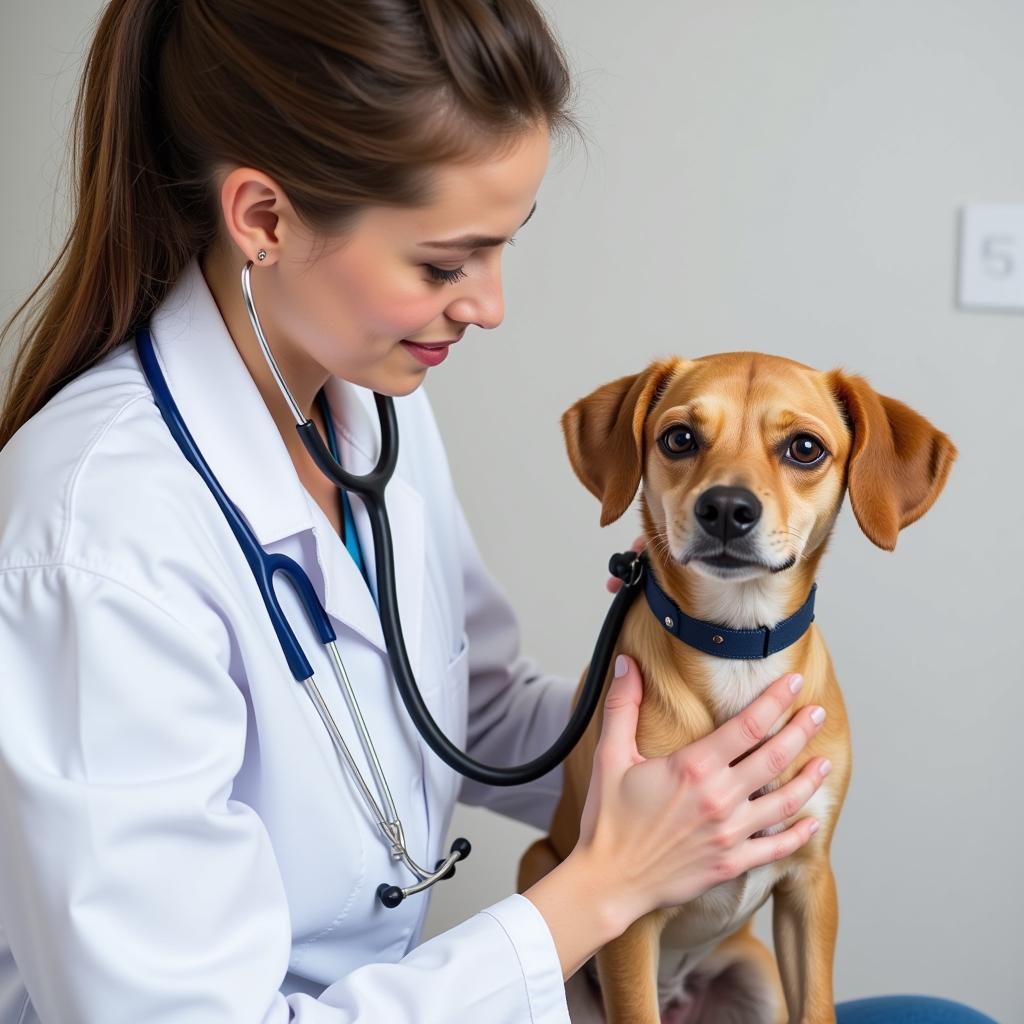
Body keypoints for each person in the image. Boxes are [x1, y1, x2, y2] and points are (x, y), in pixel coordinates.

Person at [0, 1, 996, 1022]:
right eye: (443, 263)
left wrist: (679, 746)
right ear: (265, 219)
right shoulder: (100, 534)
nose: (490, 304)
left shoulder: (372, 410)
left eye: (505, 245)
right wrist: (604, 881)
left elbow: (470, 710)